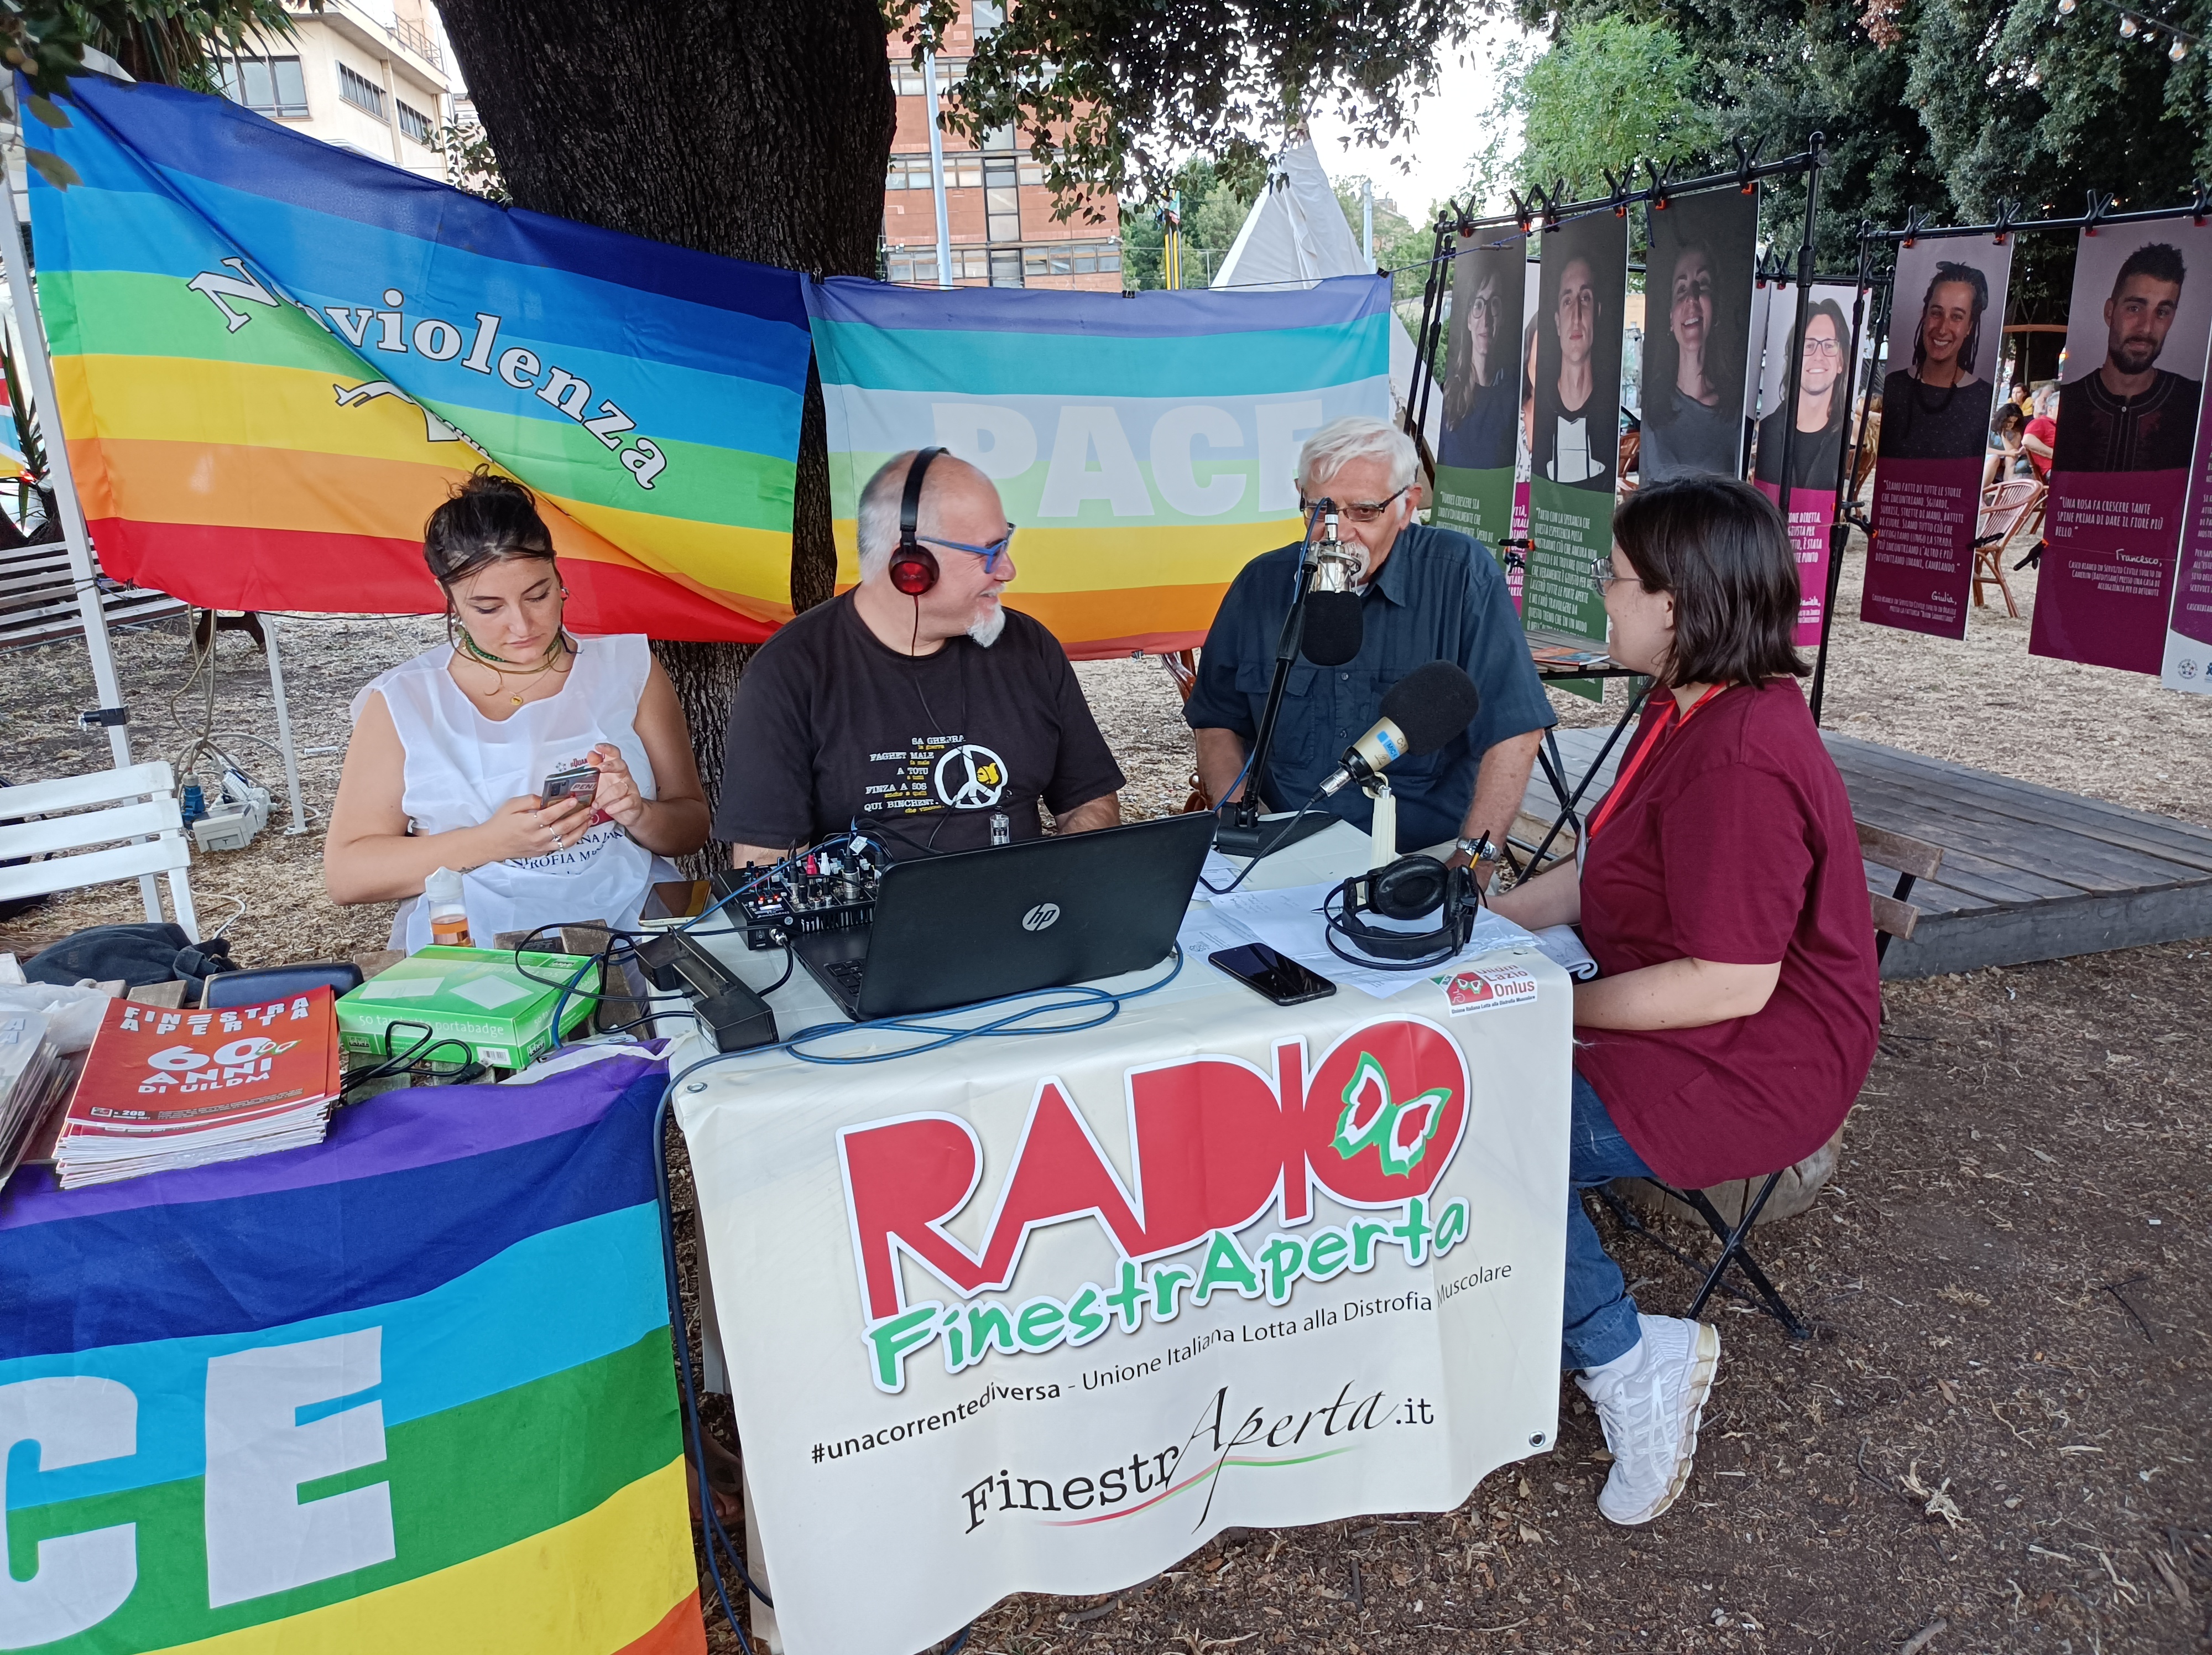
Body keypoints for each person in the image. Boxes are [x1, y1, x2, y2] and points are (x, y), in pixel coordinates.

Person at [1489, 476, 1880, 1527]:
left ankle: (1630, 1362)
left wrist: (1547, 1008)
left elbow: (1732, 981)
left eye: (1617, 581)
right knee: (1468, 1085)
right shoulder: (1682, 705)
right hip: (1669, 1009)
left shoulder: (1742, 754)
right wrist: (1474, 925)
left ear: (1679, 602)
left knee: (1489, 1133)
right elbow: (1590, 875)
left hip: (1748, 1059)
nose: (1600, 602)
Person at [326, 471, 711, 948]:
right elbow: (347, 875)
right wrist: (492, 842)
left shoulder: (629, 668)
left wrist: (638, 813)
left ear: (558, 573)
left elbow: (692, 828)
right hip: (479, 947)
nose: (522, 625)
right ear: (448, 597)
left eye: (538, 595)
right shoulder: (404, 701)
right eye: (488, 608)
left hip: (634, 927)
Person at [714, 449, 1124, 866]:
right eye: (988, 552)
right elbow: (765, 863)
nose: (1007, 570)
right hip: (872, 930)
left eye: (1006, 543)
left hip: (1025, 919)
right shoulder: (790, 671)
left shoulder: (1029, 646)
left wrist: (1063, 887)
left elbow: (1089, 801)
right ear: (911, 566)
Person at [1184, 415, 1554, 863]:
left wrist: (1471, 862)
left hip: (1421, 856)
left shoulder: (1460, 575)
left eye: (1364, 511)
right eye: (1322, 510)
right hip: (1280, 846)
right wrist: (1245, 826)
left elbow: (1513, 728)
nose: (1340, 532)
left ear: (1408, 505)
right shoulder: (1260, 584)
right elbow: (1217, 720)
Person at [2053, 242, 2203, 473]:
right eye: (2135, 308)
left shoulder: (2196, 404)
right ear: (2110, 312)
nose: (2146, 328)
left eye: (2162, 312)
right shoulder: (2070, 402)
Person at [1640, 240, 1742, 481]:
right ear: (1670, 318)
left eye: (1702, 285)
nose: (1691, 298)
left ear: (1715, 309)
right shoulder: (1652, 410)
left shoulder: (1734, 413)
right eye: (1681, 289)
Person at [1876, 261, 1994, 460]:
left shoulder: (1983, 398)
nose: (1942, 328)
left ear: (1969, 328)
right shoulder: (1893, 386)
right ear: (1925, 315)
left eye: (1957, 317)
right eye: (1937, 313)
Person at [1754, 299, 1851, 492]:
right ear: (1794, 359)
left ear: (1841, 362)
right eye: (1808, 345)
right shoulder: (1767, 430)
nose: (1818, 355)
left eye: (1829, 345)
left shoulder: (1848, 431)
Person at [1534, 252, 1613, 489]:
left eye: (1585, 298)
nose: (1576, 316)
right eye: (1567, 301)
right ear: (1557, 322)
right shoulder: (1537, 413)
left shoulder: (1610, 409)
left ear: (1596, 314)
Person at [1438, 258, 1520, 472]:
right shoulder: (1447, 396)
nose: (1485, 319)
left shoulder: (1515, 397)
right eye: (1478, 305)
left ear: (1502, 316)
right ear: (1468, 320)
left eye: (1493, 304)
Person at [1985, 401, 2028, 486]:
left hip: (2005, 458)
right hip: (1991, 456)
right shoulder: (1990, 426)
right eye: (2008, 421)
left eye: (2013, 422)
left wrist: (2004, 437)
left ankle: (2006, 489)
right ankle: (1982, 490)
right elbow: (1985, 449)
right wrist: (2006, 453)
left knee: (2011, 458)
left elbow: (2012, 452)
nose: (2010, 425)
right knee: (1995, 459)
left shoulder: (2016, 432)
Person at [2022, 386, 2058, 481]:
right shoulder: (2040, 422)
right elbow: (2027, 440)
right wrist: (2054, 454)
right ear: (2050, 409)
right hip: (2053, 471)